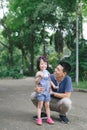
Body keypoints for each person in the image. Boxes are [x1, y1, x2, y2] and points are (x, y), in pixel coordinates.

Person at [34, 56, 57, 125]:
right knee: (40, 105)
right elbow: (36, 82)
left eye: (45, 64)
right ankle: (39, 119)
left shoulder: (47, 72)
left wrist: (53, 86)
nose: (43, 65)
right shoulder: (38, 73)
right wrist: (40, 77)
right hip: (41, 92)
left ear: (47, 64)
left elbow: (49, 80)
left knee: (47, 105)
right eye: (41, 64)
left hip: (47, 92)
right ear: (38, 65)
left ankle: (49, 118)